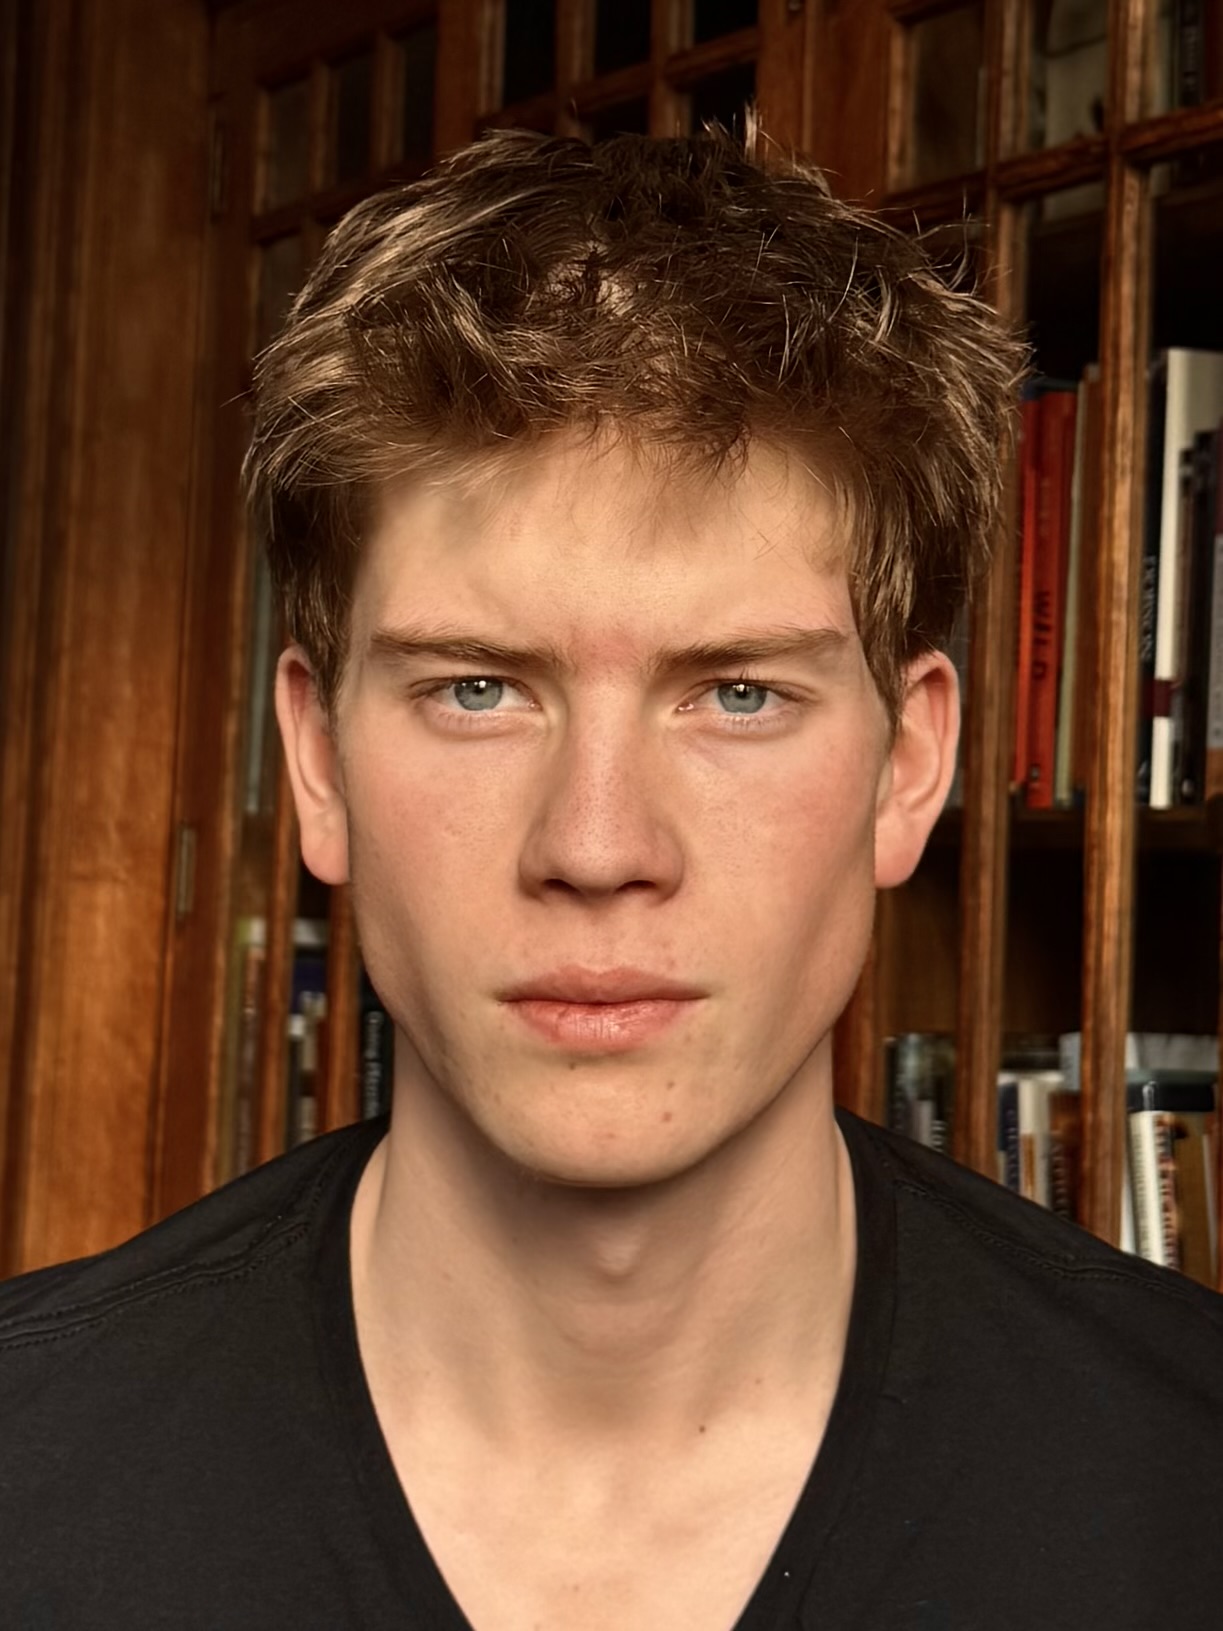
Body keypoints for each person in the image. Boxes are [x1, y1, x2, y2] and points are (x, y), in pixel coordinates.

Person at [1, 125, 1221, 1631]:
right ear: (316, 760)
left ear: (910, 766)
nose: (596, 847)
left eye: (739, 695)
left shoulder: (1191, 1486)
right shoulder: (27, 1470)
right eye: (476, 689)